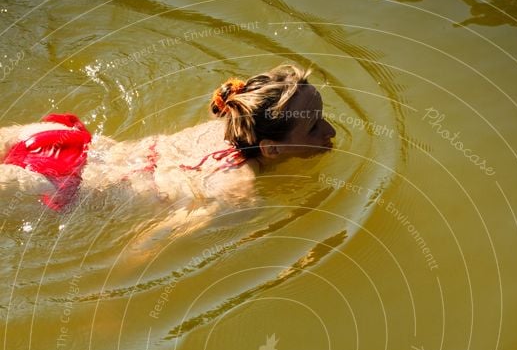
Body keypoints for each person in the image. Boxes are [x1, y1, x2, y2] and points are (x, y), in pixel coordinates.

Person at [0, 63, 335, 246]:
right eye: (315, 126)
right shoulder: (238, 191)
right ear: (270, 149)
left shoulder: (228, 121)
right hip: (64, 186)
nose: (330, 131)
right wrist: (109, 306)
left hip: (73, 142)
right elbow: (146, 245)